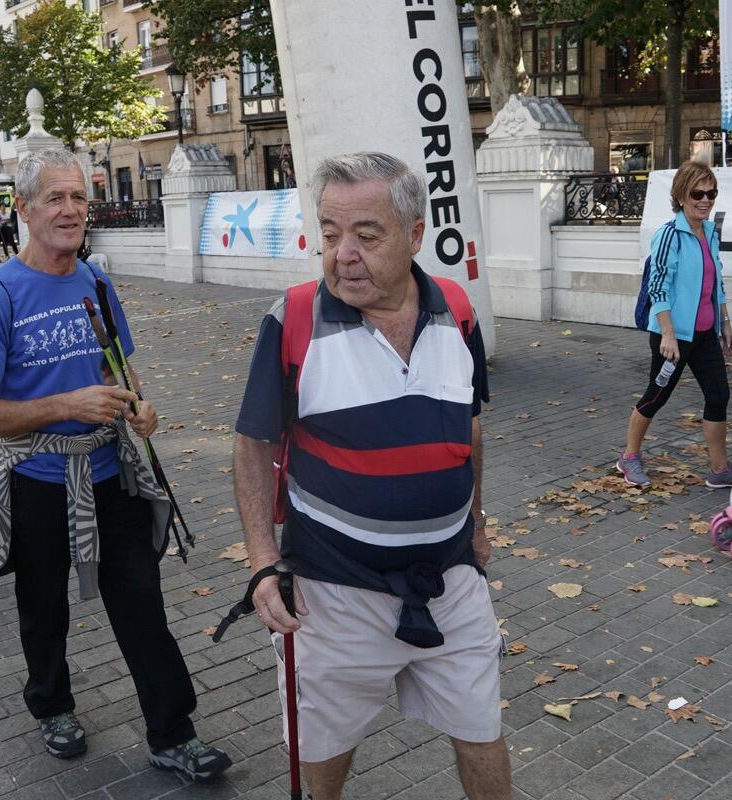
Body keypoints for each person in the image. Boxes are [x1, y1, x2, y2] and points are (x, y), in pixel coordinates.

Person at [232, 152, 508, 800]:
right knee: (323, 754)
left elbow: (467, 429)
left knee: (483, 732)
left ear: (414, 235)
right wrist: (263, 561)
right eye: (330, 234)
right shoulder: (293, 320)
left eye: (366, 234)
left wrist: (476, 522)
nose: (343, 255)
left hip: (450, 582)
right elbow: (252, 446)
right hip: (332, 596)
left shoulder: (456, 309)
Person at [0, 149, 231, 777]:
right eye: (54, 197)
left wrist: (138, 406)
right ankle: (52, 706)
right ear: (23, 209)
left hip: (109, 471)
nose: (70, 209)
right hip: (36, 481)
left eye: (78, 196)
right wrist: (65, 405)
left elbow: (117, 370)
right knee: (43, 605)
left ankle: (173, 733)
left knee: (142, 603)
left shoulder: (96, 282)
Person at [617, 160, 732, 489]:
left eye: (711, 193)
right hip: (674, 337)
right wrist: (667, 334)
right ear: (682, 195)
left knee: (718, 396)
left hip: (706, 334)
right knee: (657, 395)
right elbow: (658, 287)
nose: (705, 200)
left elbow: (717, 281)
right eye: (698, 193)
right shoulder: (669, 235)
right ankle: (629, 457)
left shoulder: (710, 232)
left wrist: (725, 321)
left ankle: (720, 469)